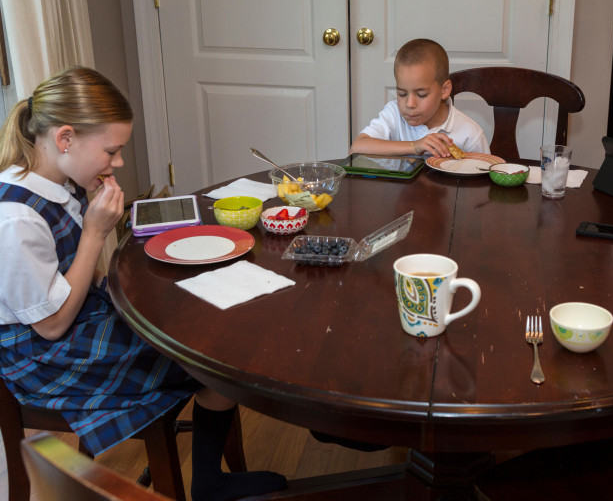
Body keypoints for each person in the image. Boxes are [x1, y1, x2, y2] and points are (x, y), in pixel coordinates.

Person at [0, 67, 286, 500]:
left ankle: (209, 477)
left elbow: (83, 275)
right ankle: (210, 482)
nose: (117, 163)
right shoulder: (16, 218)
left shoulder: (64, 183)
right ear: (65, 139)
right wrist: (96, 232)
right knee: (214, 354)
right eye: (111, 151)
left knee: (202, 321)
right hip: (45, 358)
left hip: (76, 319)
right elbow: (51, 326)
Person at [350, 38, 490, 158]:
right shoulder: (393, 114)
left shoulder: (470, 134)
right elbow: (356, 148)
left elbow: (484, 179)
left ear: (444, 90)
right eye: (402, 94)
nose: (410, 104)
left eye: (421, 95)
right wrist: (414, 146)